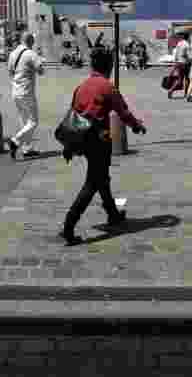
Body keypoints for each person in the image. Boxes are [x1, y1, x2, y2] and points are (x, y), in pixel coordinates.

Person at [59, 47, 147, 245]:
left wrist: (69, 146)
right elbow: (123, 112)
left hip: (83, 140)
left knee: (101, 178)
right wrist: (137, 126)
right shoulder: (107, 87)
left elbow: (72, 117)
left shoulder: (82, 86)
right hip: (99, 141)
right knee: (92, 183)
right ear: (109, 66)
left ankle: (113, 214)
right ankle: (68, 226)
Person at [5, 33, 44, 159]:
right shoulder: (31, 54)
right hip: (27, 91)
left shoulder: (13, 53)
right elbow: (41, 71)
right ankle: (15, 141)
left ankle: (27, 148)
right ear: (31, 41)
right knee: (33, 121)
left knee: (24, 120)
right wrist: (40, 59)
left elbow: (10, 71)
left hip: (15, 91)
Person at [168, 32, 192, 100]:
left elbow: (176, 54)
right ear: (188, 37)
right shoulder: (187, 45)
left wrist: (175, 63)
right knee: (187, 79)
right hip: (185, 64)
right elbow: (189, 56)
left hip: (179, 63)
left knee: (180, 80)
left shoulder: (179, 43)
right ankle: (186, 94)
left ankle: (171, 90)